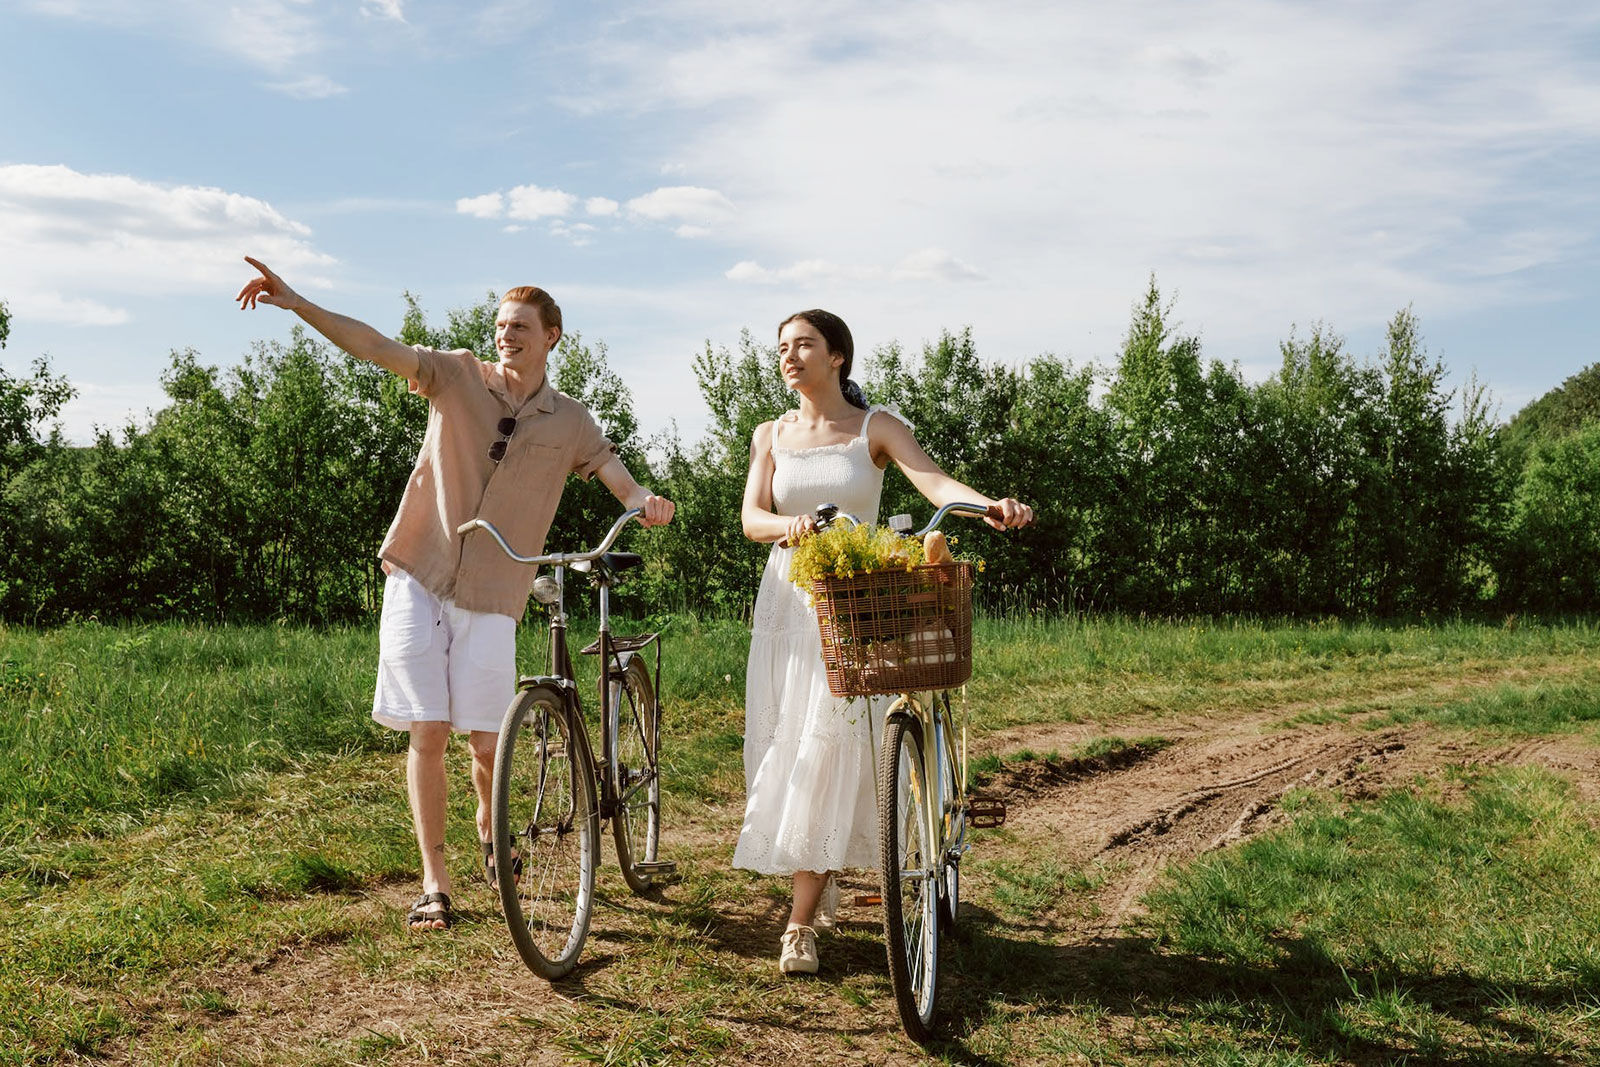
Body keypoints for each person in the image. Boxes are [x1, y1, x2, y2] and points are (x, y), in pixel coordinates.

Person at [236, 257, 674, 932]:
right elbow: (377, 346)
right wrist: (298, 303)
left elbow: (615, 474)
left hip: (496, 591)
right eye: (500, 324)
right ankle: (435, 880)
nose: (506, 334)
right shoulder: (457, 374)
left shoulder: (572, 420)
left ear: (553, 334)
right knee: (428, 729)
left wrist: (644, 501)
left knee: (487, 747)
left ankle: (489, 828)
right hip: (421, 570)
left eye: (521, 325)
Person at [735, 309, 1031, 975]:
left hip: (854, 595)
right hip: (789, 595)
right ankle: (821, 879)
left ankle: (800, 922)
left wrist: (987, 505)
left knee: (829, 740)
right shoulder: (771, 434)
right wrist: (791, 524)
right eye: (782, 346)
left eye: (803, 343)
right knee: (797, 740)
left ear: (837, 355)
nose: (790, 355)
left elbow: (932, 481)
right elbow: (753, 516)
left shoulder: (876, 426)